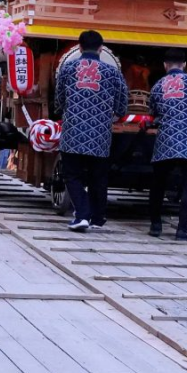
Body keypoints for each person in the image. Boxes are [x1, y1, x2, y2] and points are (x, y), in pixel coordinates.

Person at [55, 30, 128, 232]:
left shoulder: (68, 68)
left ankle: (83, 214)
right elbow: (122, 105)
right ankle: (97, 217)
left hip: (73, 132)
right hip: (100, 134)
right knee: (98, 176)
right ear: (101, 49)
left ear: (79, 48)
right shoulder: (113, 72)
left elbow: (59, 101)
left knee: (72, 175)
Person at [147, 48, 187, 241]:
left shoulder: (158, 85)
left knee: (158, 184)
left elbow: (153, 112)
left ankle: (156, 225)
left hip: (166, 140)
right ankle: (182, 229)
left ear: (165, 65)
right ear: (185, 65)